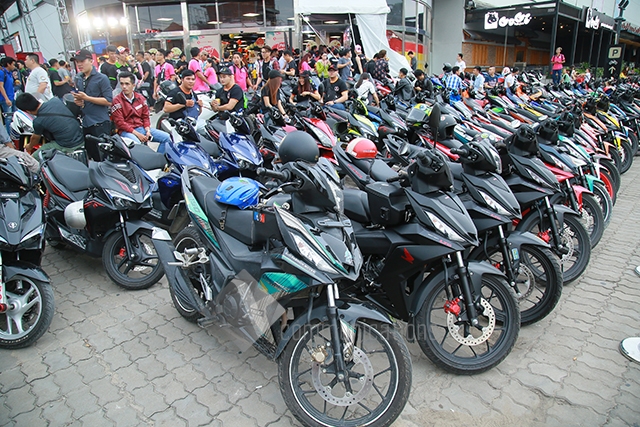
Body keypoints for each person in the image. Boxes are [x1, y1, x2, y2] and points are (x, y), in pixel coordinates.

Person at [110, 72, 172, 153]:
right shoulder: (116, 101)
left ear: (133, 85)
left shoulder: (141, 98)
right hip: (126, 132)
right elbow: (120, 123)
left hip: (142, 128)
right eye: (122, 84)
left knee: (167, 138)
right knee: (139, 146)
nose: (124, 86)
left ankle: (158, 158)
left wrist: (148, 130)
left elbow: (145, 117)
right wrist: (138, 134)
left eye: (127, 84)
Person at [15, 92, 84, 157]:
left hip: (68, 145)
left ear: (27, 111)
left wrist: (29, 146)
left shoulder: (38, 121)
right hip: (81, 137)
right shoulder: (55, 100)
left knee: (34, 157)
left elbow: (35, 139)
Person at [71, 49, 113, 138]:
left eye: (82, 61)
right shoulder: (78, 78)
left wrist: (87, 98)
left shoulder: (102, 78)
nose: (79, 64)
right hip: (85, 122)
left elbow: (109, 101)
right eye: (77, 62)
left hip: (100, 122)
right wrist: (78, 101)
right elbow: (82, 99)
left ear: (91, 61)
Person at [0, 57, 17, 135]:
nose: (14, 66)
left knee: (13, 117)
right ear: (8, 64)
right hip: (5, 99)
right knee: (8, 118)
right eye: (13, 64)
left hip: (12, 97)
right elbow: (1, 86)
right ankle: (8, 135)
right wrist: (6, 98)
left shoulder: (9, 73)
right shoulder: (2, 73)